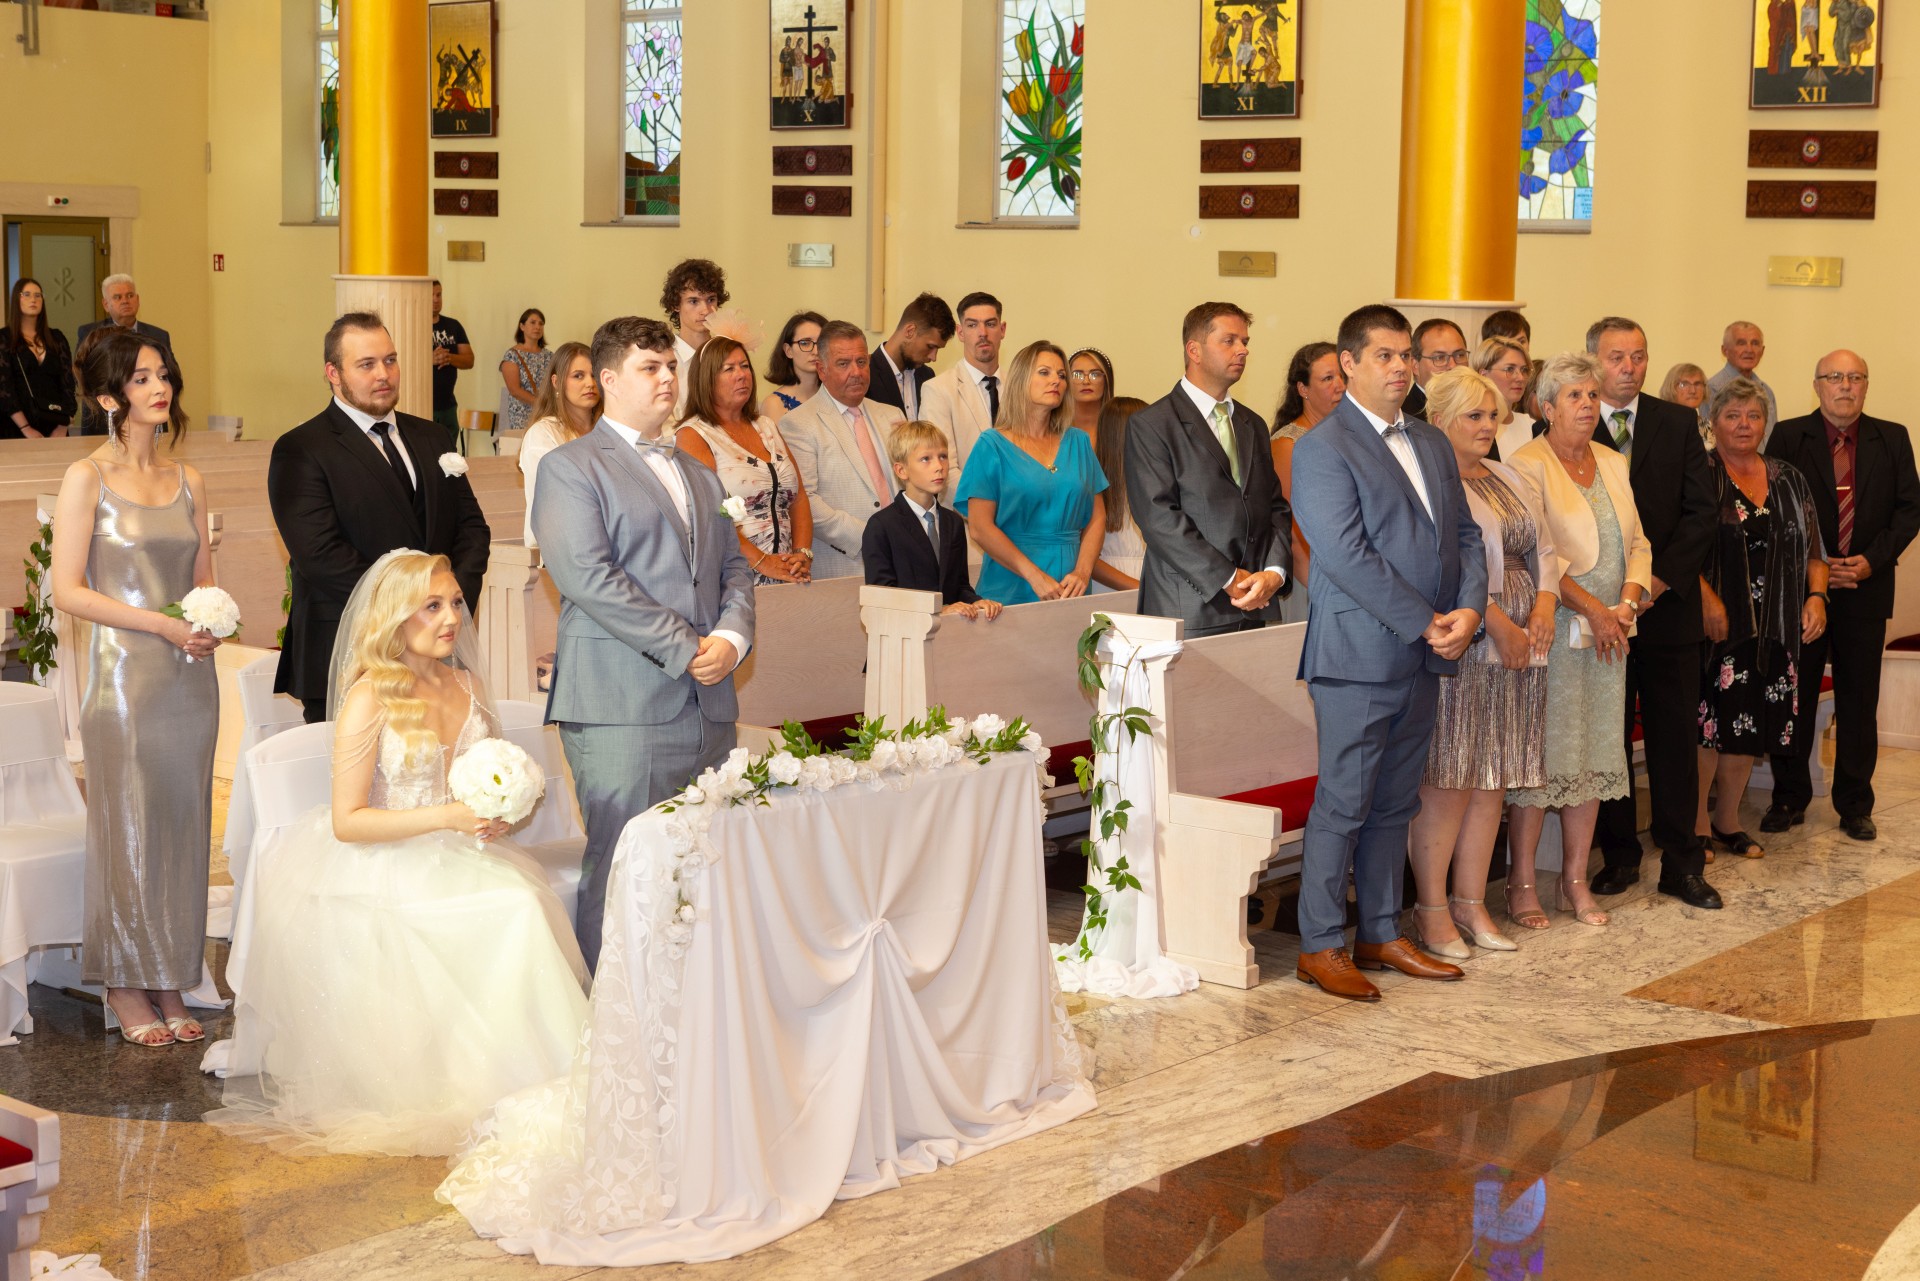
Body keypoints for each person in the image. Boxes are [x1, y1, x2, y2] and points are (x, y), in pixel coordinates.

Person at [207, 551, 588, 1154]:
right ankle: (486, 1083)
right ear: (393, 617)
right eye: (431, 606)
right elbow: (348, 821)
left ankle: (552, 1076)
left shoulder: (468, 686)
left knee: (519, 899)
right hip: (385, 858)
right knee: (510, 907)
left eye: (455, 603)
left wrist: (499, 809)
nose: (451, 618)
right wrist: (448, 817)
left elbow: (482, 777)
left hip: (460, 850)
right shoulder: (371, 697)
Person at [534, 316, 755, 972]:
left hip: (708, 701)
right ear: (608, 380)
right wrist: (688, 646)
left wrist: (732, 637)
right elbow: (588, 577)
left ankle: (690, 1001)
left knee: (702, 864)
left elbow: (734, 568)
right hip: (621, 702)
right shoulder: (570, 467)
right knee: (625, 866)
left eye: (670, 366)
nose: (667, 378)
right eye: (649, 367)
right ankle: (607, 1014)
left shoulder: (699, 472)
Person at [1288, 304, 1484, 1000]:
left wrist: (1470, 610)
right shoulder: (1322, 447)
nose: (1401, 367)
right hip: (1357, 655)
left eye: (1407, 356)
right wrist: (1425, 620)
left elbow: (1465, 536)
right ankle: (1319, 944)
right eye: (1385, 356)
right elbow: (1345, 554)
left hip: (1426, 652)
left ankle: (1379, 931)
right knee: (1343, 803)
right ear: (1348, 364)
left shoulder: (1429, 439)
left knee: (1395, 802)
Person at [49, 328, 217, 1047]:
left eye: (163, 374)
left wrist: (208, 622)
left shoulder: (190, 478)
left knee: (182, 827)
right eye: (142, 377)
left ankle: (170, 973)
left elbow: (203, 581)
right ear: (108, 395)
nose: (160, 387)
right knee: (129, 827)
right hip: (124, 680)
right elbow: (67, 591)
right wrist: (161, 624)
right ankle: (123, 979)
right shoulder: (87, 476)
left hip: (190, 679)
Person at [268, 312, 493, 724]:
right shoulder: (302, 448)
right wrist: (411, 611)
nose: (383, 374)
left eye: (390, 360)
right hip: (351, 650)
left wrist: (449, 605)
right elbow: (320, 554)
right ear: (333, 373)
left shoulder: (432, 436)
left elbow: (472, 530)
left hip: (438, 653)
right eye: (366, 364)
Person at [1408, 368, 1557, 959]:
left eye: (1493, 415)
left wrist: (1543, 604)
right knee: (1451, 777)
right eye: (1474, 415)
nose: (1488, 425)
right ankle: (1431, 909)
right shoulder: (1430, 482)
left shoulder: (1505, 472)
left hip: (1521, 645)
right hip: (1468, 642)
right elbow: (1444, 566)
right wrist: (1499, 626)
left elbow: (1545, 546)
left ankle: (1471, 902)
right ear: (1438, 421)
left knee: (1494, 773)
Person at [1504, 353, 1653, 932]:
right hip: (1556, 633)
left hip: (1608, 638)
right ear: (1547, 407)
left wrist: (1627, 604)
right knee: (1542, 761)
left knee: (1593, 756)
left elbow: (1638, 543)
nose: (1588, 404)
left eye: (1592, 395)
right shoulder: (1527, 464)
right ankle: (1521, 884)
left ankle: (1574, 881)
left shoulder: (1613, 460)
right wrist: (1595, 609)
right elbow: (1538, 553)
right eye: (1574, 395)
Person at [1584, 317, 1722, 911]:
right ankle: (1619, 856)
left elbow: (1701, 513)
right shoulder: (1568, 421)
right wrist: (1604, 599)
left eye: (1638, 356)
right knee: (1608, 737)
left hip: (1666, 609)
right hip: (1596, 615)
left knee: (1673, 740)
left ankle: (1682, 864)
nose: (1629, 367)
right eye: (1617, 356)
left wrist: (1655, 583)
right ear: (1594, 361)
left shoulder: (1677, 421)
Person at [1764, 350, 1920, 842]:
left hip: (1867, 587)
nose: (1846, 385)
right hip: (1803, 592)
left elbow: (1909, 510)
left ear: (1866, 386)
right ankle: (1788, 797)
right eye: (1835, 377)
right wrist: (1815, 566)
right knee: (1796, 696)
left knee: (1858, 701)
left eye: (1855, 377)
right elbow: (1774, 510)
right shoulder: (1789, 435)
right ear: (1817, 385)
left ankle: (1854, 804)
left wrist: (1871, 560)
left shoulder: (1892, 437)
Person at [1696, 378, 1828, 860]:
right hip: (1718, 625)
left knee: (1748, 726)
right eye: (1732, 416)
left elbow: (1815, 549)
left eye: (1753, 416)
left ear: (1765, 423)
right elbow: (1675, 548)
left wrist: (1817, 597)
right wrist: (1707, 599)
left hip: (1777, 626)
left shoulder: (1788, 476)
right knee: (1710, 726)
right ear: (1714, 423)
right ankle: (1696, 826)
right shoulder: (1701, 473)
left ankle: (1727, 820)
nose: (1743, 425)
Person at [1126, 302, 1290, 636]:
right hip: (1188, 607)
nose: (1243, 350)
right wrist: (1227, 578)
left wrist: (1274, 571)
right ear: (1194, 350)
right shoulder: (1153, 424)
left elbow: (1274, 507)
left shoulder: (1252, 424)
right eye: (1229, 341)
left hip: (1254, 604)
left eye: (1245, 341)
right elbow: (1158, 518)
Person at [955, 340, 1109, 605]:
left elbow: (1097, 517)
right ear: (1021, 380)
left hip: (1072, 586)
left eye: (1061, 375)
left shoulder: (1078, 442)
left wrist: (1083, 572)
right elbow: (980, 528)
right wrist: (1034, 576)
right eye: (1044, 372)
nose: (1056, 381)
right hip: (1010, 584)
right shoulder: (992, 445)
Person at [676, 337, 814, 586]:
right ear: (706, 379)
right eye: (729, 369)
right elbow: (707, 515)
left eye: (745, 366)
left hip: (786, 573)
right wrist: (761, 561)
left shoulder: (766, 426)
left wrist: (801, 554)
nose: (741, 375)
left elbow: (799, 497)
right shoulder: (693, 435)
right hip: (733, 577)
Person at [778, 320, 906, 579]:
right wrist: (872, 536)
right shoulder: (798, 423)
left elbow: (911, 483)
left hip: (903, 559)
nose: (856, 372)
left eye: (861, 362)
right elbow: (805, 501)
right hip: (847, 564)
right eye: (843, 364)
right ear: (821, 369)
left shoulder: (892, 415)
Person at [863, 421, 1002, 620]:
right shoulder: (881, 526)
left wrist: (975, 602)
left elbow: (959, 586)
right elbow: (883, 596)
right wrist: (936, 610)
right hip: (904, 633)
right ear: (901, 470)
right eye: (926, 459)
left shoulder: (953, 522)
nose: (939, 467)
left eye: (943, 456)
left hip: (951, 633)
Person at [1270, 340, 1345, 614]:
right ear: (1303, 390)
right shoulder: (1288, 444)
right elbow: (1290, 530)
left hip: (1350, 574)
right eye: (1328, 378)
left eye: (1342, 376)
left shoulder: (1349, 436)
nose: (1340, 386)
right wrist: (1323, 593)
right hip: (1311, 581)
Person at [920, 291, 1008, 493]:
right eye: (972, 325)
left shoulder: (1019, 387)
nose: (982, 333)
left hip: (1019, 508)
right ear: (960, 332)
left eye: (990, 324)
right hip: (965, 508)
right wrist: (986, 507)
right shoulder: (938, 390)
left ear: (1002, 329)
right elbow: (944, 469)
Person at [517, 340, 598, 547]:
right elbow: (556, 502)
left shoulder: (607, 429)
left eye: (594, 374)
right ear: (556, 382)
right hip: (558, 547)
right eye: (578, 376)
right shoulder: (543, 434)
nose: (590, 383)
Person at [76, 275, 172, 437]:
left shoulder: (158, 335)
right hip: (102, 421)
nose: (125, 301)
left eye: (129, 295)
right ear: (106, 304)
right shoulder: (91, 334)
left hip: (150, 420)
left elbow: (172, 374)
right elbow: (83, 377)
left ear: (138, 300)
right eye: (117, 297)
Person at [2, 277, 76, 439]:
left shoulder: (57, 338)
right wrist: (26, 428)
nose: (33, 299)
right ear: (16, 299)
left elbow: (68, 384)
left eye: (38, 295)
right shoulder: (4, 338)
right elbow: (4, 388)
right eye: (27, 294)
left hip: (56, 425)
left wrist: (63, 426)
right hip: (16, 427)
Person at [1089, 395, 1148, 590]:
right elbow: (1087, 559)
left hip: (1151, 586)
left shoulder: (1153, 486)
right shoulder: (1092, 489)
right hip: (1109, 591)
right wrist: (1138, 589)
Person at [865, 293, 953, 420]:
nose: (934, 357)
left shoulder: (927, 376)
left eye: (937, 349)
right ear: (910, 331)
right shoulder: (866, 374)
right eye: (930, 346)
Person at [661, 257, 728, 418]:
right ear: (676, 305)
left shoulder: (728, 352)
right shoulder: (664, 358)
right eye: (693, 301)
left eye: (711, 300)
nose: (705, 310)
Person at [1706, 321, 1778, 441]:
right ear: (1724, 350)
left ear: (1762, 351)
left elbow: (1773, 439)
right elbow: (1709, 441)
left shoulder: (1766, 391)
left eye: (1755, 343)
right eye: (1741, 343)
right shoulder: (1711, 390)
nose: (1749, 349)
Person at [1472, 336, 1536, 461]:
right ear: (1483, 375)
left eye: (1524, 370)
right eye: (1510, 369)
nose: (1520, 378)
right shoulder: (1474, 429)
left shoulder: (1530, 425)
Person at [761, 310, 827, 421]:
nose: (816, 351)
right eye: (805, 343)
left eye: (821, 343)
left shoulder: (835, 397)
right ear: (788, 350)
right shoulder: (774, 404)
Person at [430, 280, 475, 441]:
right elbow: (405, 361)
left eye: (439, 295)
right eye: (431, 295)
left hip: (448, 405)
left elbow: (469, 360)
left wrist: (448, 357)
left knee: (449, 451)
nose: (436, 299)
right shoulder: (415, 325)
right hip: (424, 405)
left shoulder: (453, 325)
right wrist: (430, 360)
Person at [498, 309, 551, 435]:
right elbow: (514, 390)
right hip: (522, 414)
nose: (537, 327)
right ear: (522, 326)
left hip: (546, 413)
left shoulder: (549, 356)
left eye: (541, 323)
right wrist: (540, 403)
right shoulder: (512, 355)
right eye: (533, 322)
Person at [1404, 318, 1468, 422]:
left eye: (1460, 355)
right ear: (1415, 366)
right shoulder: (1404, 419)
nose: (1453, 366)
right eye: (1439, 358)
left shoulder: (1477, 408)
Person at [1659, 362, 1711, 444]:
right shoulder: (1662, 425)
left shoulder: (1707, 426)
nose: (1693, 391)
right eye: (1684, 384)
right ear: (1671, 387)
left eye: (1697, 384)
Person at [1067, 346, 1115, 437]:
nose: (1086, 381)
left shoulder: (1122, 425)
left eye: (1095, 374)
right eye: (1077, 375)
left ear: (1106, 380)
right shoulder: (1052, 428)